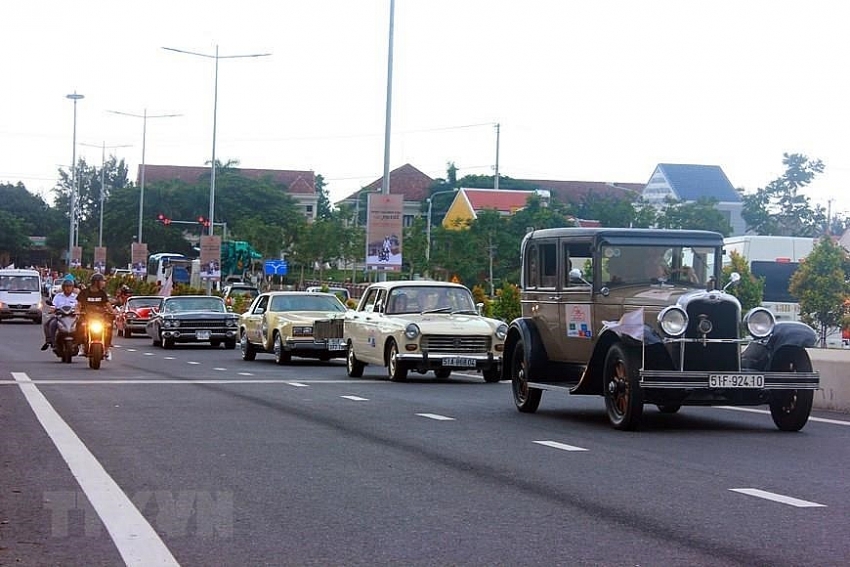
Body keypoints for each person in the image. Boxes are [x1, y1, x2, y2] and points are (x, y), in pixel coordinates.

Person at [76, 273, 116, 360]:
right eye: (102, 281)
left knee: (109, 326)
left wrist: (113, 312)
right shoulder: (84, 292)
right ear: (96, 282)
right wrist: (77, 312)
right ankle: (82, 346)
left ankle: (107, 349)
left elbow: (107, 304)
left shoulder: (102, 293)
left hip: (100, 318)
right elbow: (78, 305)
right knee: (80, 324)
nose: (104, 283)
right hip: (87, 317)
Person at [41, 277, 78, 350]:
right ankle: (51, 341)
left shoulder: (76, 297)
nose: (68, 288)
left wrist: (79, 311)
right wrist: (52, 310)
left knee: (83, 325)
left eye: (70, 287)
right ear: (63, 287)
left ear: (73, 288)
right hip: (60, 316)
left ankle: (81, 343)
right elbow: (53, 306)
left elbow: (79, 306)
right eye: (66, 286)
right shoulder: (58, 296)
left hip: (73, 317)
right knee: (50, 324)